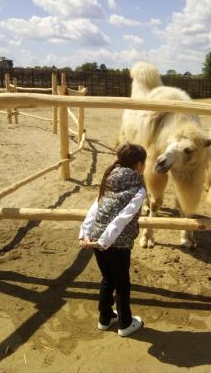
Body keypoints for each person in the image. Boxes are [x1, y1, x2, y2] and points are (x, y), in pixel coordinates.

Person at [79, 143, 147, 337]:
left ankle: (105, 317)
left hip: (96, 238)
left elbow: (96, 207)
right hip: (116, 243)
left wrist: (85, 233)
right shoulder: (138, 188)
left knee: (108, 279)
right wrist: (104, 241)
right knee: (122, 283)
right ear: (139, 164)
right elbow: (124, 217)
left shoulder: (109, 177)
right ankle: (125, 323)